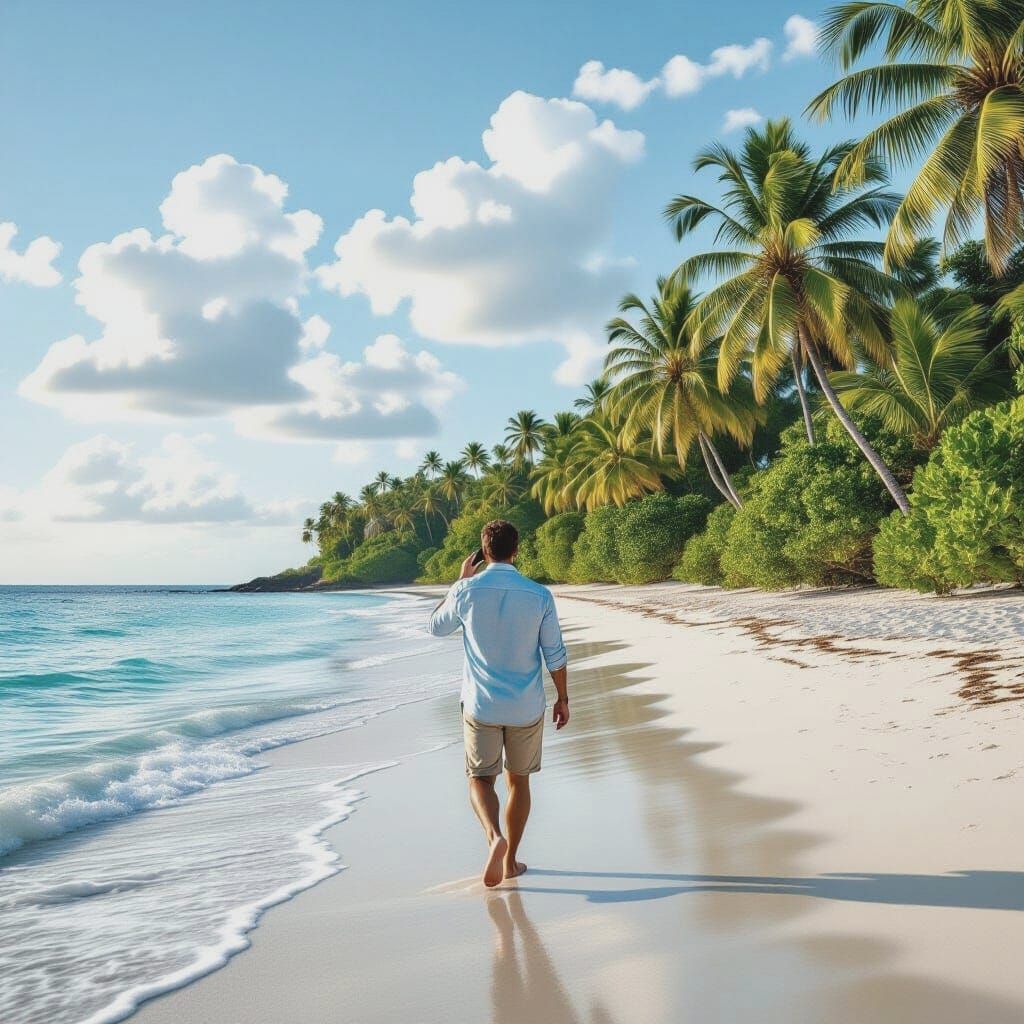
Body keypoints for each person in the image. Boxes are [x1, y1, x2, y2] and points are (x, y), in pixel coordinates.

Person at [428, 519, 569, 887]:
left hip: (481, 705)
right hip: (525, 705)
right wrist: (563, 698)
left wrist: (458, 581)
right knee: (519, 782)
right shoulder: (538, 594)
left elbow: (436, 627)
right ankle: (511, 863)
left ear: (483, 551)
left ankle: (494, 838)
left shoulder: (466, 591)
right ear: (516, 549)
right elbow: (555, 653)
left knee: (479, 778)